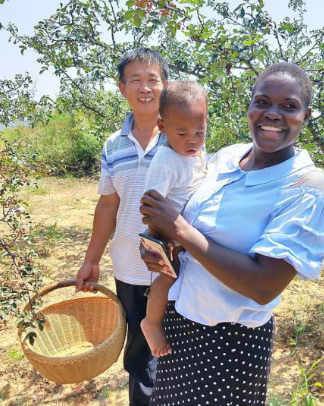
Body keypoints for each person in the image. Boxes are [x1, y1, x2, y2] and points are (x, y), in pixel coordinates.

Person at [139, 62, 324, 406]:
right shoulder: (227, 157)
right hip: (180, 322)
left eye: (288, 106)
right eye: (262, 101)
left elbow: (263, 286)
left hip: (229, 342)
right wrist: (163, 246)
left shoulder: (305, 185)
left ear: (306, 114)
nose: (272, 114)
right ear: (250, 106)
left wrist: (179, 230)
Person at [75, 47, 169, 406]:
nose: (145, 88)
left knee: (172, 347)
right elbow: (108, 204)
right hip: (128, 268)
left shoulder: (182, 137)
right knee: (140, 355)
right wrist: (91, 259)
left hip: (174, 271)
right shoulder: (113, 145)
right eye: (136, 80)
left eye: (153, 79)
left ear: (165, 85)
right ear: (122, 88)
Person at [141, 81, 208, 358]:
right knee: (167, 278)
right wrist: (161, 240)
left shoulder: (196, 152)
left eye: (200, 132)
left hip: (186, 236)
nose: (192, 140)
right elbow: (149, 203)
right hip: (169, 238)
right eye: (182, 133)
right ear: (162, 126)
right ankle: (151, 323)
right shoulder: (166, 160)